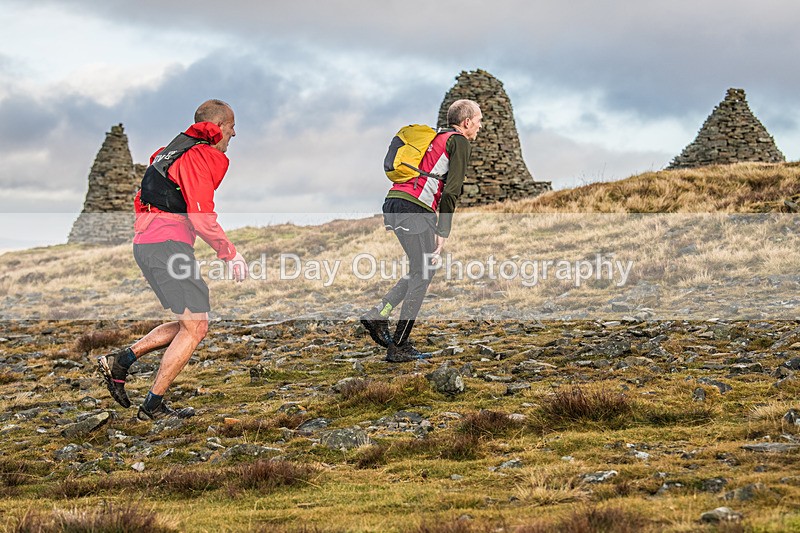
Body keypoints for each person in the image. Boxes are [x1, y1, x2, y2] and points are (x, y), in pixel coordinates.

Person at [98, 99, 248, 420]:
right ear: (218, 126)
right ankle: (151, 407)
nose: (234, 134)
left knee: (189, 322)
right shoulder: (199, 155)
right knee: (196, 328)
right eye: (231, 127)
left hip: (148, 243)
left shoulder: (171, 151)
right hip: (166, 245)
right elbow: (201, 215)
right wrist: (230, 254)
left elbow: (147, 199)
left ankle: (122, 361)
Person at [361, 99, 482, 362]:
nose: (480, 127)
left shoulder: (436, 137)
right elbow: (452, 189)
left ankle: (380, 315)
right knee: (424, 271)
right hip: (414, 208)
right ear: (466, 122)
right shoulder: (458, 141)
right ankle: (399, 345)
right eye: (479, 121)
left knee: (421, 269)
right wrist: (444, 229)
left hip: (396, 202)